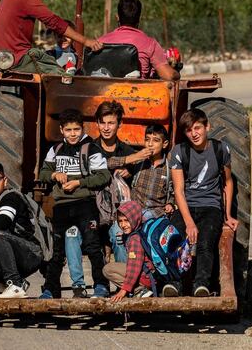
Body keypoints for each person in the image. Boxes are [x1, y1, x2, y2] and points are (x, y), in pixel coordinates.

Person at [164, 108, 238, 298]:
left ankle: (201, 284)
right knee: (175, 238)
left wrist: (228, 215)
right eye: (189, 130)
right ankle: (174, 283)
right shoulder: (179, 152)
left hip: (210, 206)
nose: (194, 134)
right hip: (186, 206)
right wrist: (188, 222)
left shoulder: (221, 149)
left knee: (206, 241)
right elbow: (179, 191)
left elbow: (228, 182)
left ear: (207, 127)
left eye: (197, 128)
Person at [39, 109, 111, 299]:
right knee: (56, 251)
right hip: (61, 206)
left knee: (93, 246)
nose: (73, 134)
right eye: (68, 130)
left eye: (76, 129)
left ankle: (101, 286)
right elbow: (43, 173)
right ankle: (50, 289)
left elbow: (104, 176)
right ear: (61, 130)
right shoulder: (55, 150)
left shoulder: (92, 149)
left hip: (85, 204)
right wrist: (55, 174)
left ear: (83, 128)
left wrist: (79, 182)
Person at [0, 161, 43, 299]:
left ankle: (16, 284)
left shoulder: (10, 198)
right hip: (17, 253)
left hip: (30, 252)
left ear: (4, 181)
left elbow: (2, 225)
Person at [94, 100, 151, 263]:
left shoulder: (125, 149)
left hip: (120, 211)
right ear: (97, 123)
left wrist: (129, 172)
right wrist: (130, 159)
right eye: (102, 123)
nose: (106, 128)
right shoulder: (90, 148)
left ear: (120, 124)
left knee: (120, 236)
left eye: (111, 123)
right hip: (95, 209)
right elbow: (99, 165)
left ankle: (125, 281)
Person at [97, 0, 179, 80]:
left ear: (117, 17)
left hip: (105, 91)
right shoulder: (150, 43)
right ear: (139, 18)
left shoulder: (100, 42)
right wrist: (176, 73)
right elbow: (169, 76)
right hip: (138, 92)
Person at [102, 200, 156, 302]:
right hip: (149, 275)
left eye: (127, 220)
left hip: (146, 278)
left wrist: (124, 290)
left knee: (108, 269)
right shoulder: (140, 229)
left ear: (134, 219)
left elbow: (134, 267)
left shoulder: (135, 239)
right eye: (120, 221)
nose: (123, 225)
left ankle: (139, 290)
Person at [131, 124, 175, 222]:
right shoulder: (138, 162)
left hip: (156, 213)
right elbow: (111, 163)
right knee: (115, 231)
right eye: (147, 139)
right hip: (135, 210)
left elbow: (175, 191)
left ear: (164, 144)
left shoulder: (170, 168)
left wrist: (170, 203)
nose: (150, 144)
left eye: (156, 140)